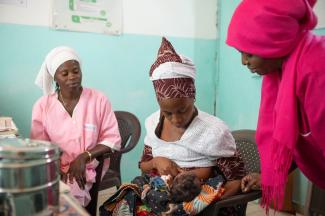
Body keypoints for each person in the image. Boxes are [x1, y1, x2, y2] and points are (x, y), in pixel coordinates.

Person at [101, 37, 246, 216]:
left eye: (183, 110)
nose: (176, 119)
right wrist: (156, 161)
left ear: (193, 96)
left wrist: (206, 205)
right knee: (117, 206)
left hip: (195, 194)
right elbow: (144, 166)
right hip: (159, 189)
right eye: (168, 113)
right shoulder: (153, 123)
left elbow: (235, 180)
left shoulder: (213, 131)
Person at [226, 0, 325, 210]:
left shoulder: (316, 70)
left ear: (275, 43)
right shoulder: (279, 75)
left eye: (250, 53)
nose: (244, 62)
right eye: (241, 53)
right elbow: (291, 136)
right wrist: (268, 176)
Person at [30, 46, 121, 206]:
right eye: (64, 74)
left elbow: (112, 139)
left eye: (76, 71)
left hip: (87, 165)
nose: (72, 77)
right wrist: (55, 166)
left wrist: (83, 157)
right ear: (54, 77)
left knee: (68, 197)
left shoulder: (98, 100)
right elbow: (39, 145)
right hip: (53, 165)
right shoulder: (43, 106)